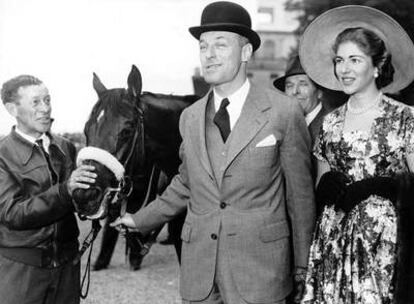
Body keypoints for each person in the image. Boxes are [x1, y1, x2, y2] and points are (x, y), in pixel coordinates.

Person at [112, 1, 315, 303]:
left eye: (221, 45)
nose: (209, 54)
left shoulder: (282, 112)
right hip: (200, 273)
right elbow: (185, 182)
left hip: (261, 273)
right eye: (203, 46)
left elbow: (299, 197)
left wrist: (302, 265)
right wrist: (140, 220)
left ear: (246, 52)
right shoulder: (189, 117)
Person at [298, 5, 414, 303]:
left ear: (377, 66)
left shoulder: (405, 118)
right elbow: (320, 184)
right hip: (333, 240)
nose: (344, 69)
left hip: (384, 244)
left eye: (354, 60)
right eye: (339, 60)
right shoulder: (331, 121)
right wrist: (325, 187)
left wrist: (386, 185)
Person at [0, 75, 96, 304]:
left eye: (47, 100)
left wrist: (95, 198)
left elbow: (77, 203)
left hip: (66, 268)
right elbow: (12, 213)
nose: (45, 108)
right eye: (36, 102)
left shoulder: (64, 147)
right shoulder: (2, 155)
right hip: (22, 272)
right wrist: (65, 191)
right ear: (12, 108)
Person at [273, 55, 327, 145]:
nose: (295, 91)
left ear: (319, 92)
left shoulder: (331, 126)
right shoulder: (280, 126)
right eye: (289, 86)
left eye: (303, 84)